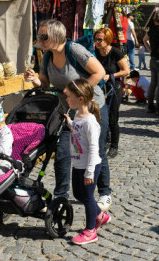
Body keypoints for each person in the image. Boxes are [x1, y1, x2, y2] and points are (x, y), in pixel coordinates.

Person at [23, 20, 112, 211]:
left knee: (95, 150)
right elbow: (46, 82)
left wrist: (78, 92)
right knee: (63, 152)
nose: (40, 40)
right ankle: (60, 196)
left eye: (44, 36)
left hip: (91, 108)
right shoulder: (47, 56)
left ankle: (105, 192)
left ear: (56, 35)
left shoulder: (75, 50)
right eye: (39, 36)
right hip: (67, 111)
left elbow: (99, 72)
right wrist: (35, 80)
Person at [63, 79, 110, 245]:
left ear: (80, 98)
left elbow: (93, 149)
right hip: (77, 164)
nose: (67, 99)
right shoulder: (77, 115)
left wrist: (90, 171)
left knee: (88, 197)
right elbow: (77, 129)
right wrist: (70, 122)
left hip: (89, 166)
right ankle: (101, 216)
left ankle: (91, 231)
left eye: (69, 97)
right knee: (78, 194)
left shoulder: (90, 122)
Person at [93, 28, 129, 158]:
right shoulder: (95, 52)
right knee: (101, 116)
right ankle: (105, 141)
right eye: (95, 39)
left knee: (113, 118)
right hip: (99, 88)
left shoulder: (115, 52)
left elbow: (126, 71)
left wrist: (111, 75)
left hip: (114, 87)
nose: (97, 42)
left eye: (100, 40)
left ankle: (114, 146)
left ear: (107, 40)